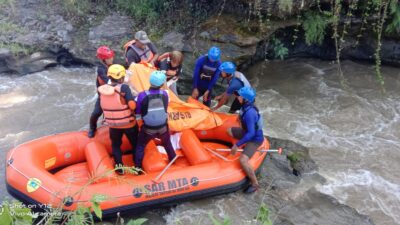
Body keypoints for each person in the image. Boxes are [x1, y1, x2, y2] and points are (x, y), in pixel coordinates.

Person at [97, 64, 138, 175]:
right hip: (129, 124)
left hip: (113, 125)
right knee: (135, 144)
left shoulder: (103, 89)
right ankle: (138, 166)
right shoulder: (124, 88)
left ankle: (119, 169)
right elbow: (132, 106)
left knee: (116, 145)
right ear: (121, 77)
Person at [134, 71, 176, 171]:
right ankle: (173, 159)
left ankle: (138, 168)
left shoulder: (142, 95)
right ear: (162, 84)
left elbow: (138, 112)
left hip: (148, 129)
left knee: (140, 145)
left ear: (150, 81)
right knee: (167, 143)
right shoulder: (165, 94)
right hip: (163, 128)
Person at [228, 87, 264, 193]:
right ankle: (244, 144)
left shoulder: (250, 113)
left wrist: (237, 145)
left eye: (240, 96)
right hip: (247, 133)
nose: (237, 97)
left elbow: (251, 133)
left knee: (243, 160)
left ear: (245, 99)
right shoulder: (245, 106)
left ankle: (255, 184)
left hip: (255, 139)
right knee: (229, 131)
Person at [88, 46, 114, 138]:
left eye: (111, 57)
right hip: (103, 96)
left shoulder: (112, 66)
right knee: (96, 113)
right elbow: (108, 81)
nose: (112, 59)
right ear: (103, 60)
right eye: (109, 58)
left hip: (114, 94)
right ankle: (92, 128)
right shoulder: (101, 69)